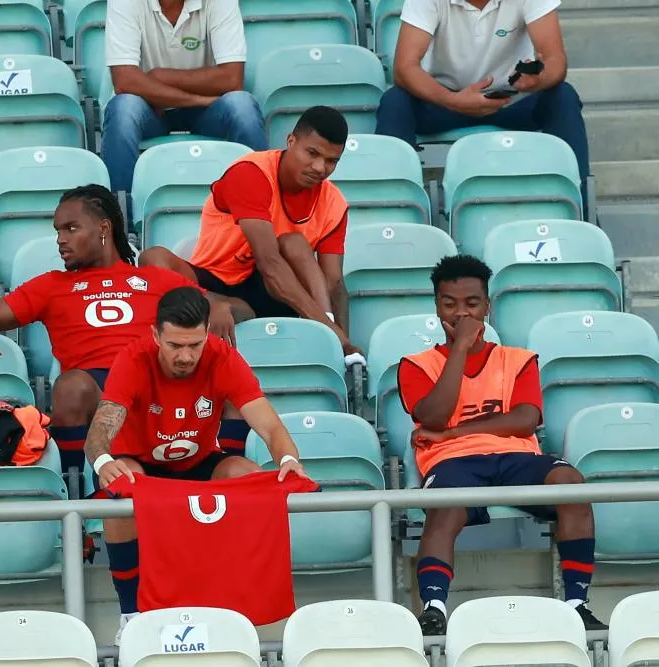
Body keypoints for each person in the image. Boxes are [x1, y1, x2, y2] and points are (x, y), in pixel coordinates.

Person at [0, 185, 245, 478]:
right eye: (58, 231)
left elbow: (244, 310)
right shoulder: (52, 286)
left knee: (227, 380)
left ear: (104, 228)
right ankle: (76, 489)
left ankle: (226, 479)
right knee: (70, 387)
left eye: (71, 229)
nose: (61, 240)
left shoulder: (155, 279)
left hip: (157, 383)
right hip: (98, 387)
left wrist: (220, 306)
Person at [84, 285, 307, 642]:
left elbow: (269, 425)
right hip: (139, 464)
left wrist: (289, 458)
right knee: (124, 491)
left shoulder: (221, 356)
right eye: (175, 346)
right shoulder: (134, 358)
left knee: (247, 476)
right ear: (156, 335)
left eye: (194, 345)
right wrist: (103, 461)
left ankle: (233, 606)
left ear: (206, 334)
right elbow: (100, 430)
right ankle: (130, 615)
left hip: (198, 462)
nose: (186, 356)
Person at [397, 254, 606, 635]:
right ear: (436, 306)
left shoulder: (518, 359)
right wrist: (459, 349)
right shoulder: (416, 364)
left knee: (572, 484)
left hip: (515, 455)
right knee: (443, 509)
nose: (461, 314)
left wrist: (457, 431)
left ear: (487, 307)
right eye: (450, 304)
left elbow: (525, 419)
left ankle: (577, 603)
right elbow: (434, 418)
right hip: (452, 462)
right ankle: (434, 609)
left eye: (472, 304)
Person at [140, 106, 359, 354]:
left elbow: (334, 283)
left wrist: (344, 344)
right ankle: (214, 304)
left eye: (332, 161)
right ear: (290, 141)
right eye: (312, 153)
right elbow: (270, 263)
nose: (320, 168)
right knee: (152, 258)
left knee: (294, 243)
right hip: (214, 283)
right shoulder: (251, 173)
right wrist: (332, 331)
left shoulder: (334, 202)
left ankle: (332, 348)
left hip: (277, 295)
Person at [376, 0, 590, 217]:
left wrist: (539, 79)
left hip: (511, 100)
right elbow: (404, 68)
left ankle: (581, 214)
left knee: (563, 96)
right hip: (446, 100)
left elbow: (555, 59)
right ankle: (394, 214)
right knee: (395, 101)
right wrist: (453, 100)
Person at [102, 0, 267, 194]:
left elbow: (232, 78)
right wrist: (197, 99)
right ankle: (121, 217)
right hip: (151, 106)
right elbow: (125, 81)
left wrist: (162, 77)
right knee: (123, 109)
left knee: (242, 106)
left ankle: (262, 208)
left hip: (205, 110)